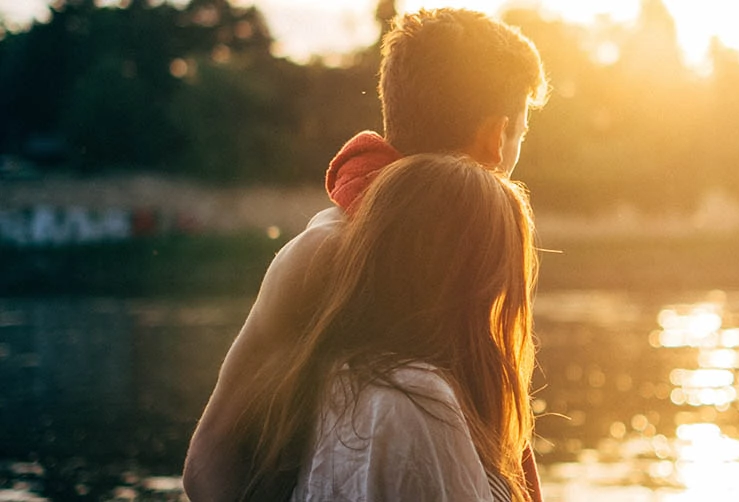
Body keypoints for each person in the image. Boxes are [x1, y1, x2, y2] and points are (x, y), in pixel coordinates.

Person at [183, 7, 549, 501]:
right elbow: (210, 455)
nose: (517, 150)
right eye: (521, 134)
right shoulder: (328, 253)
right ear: (493, 136)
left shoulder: (468, 252)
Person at [239, 154, 539, 500]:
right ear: (469, 280)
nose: (500, 295)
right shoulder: (417, 399)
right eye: (497, 276)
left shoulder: (340, 377)